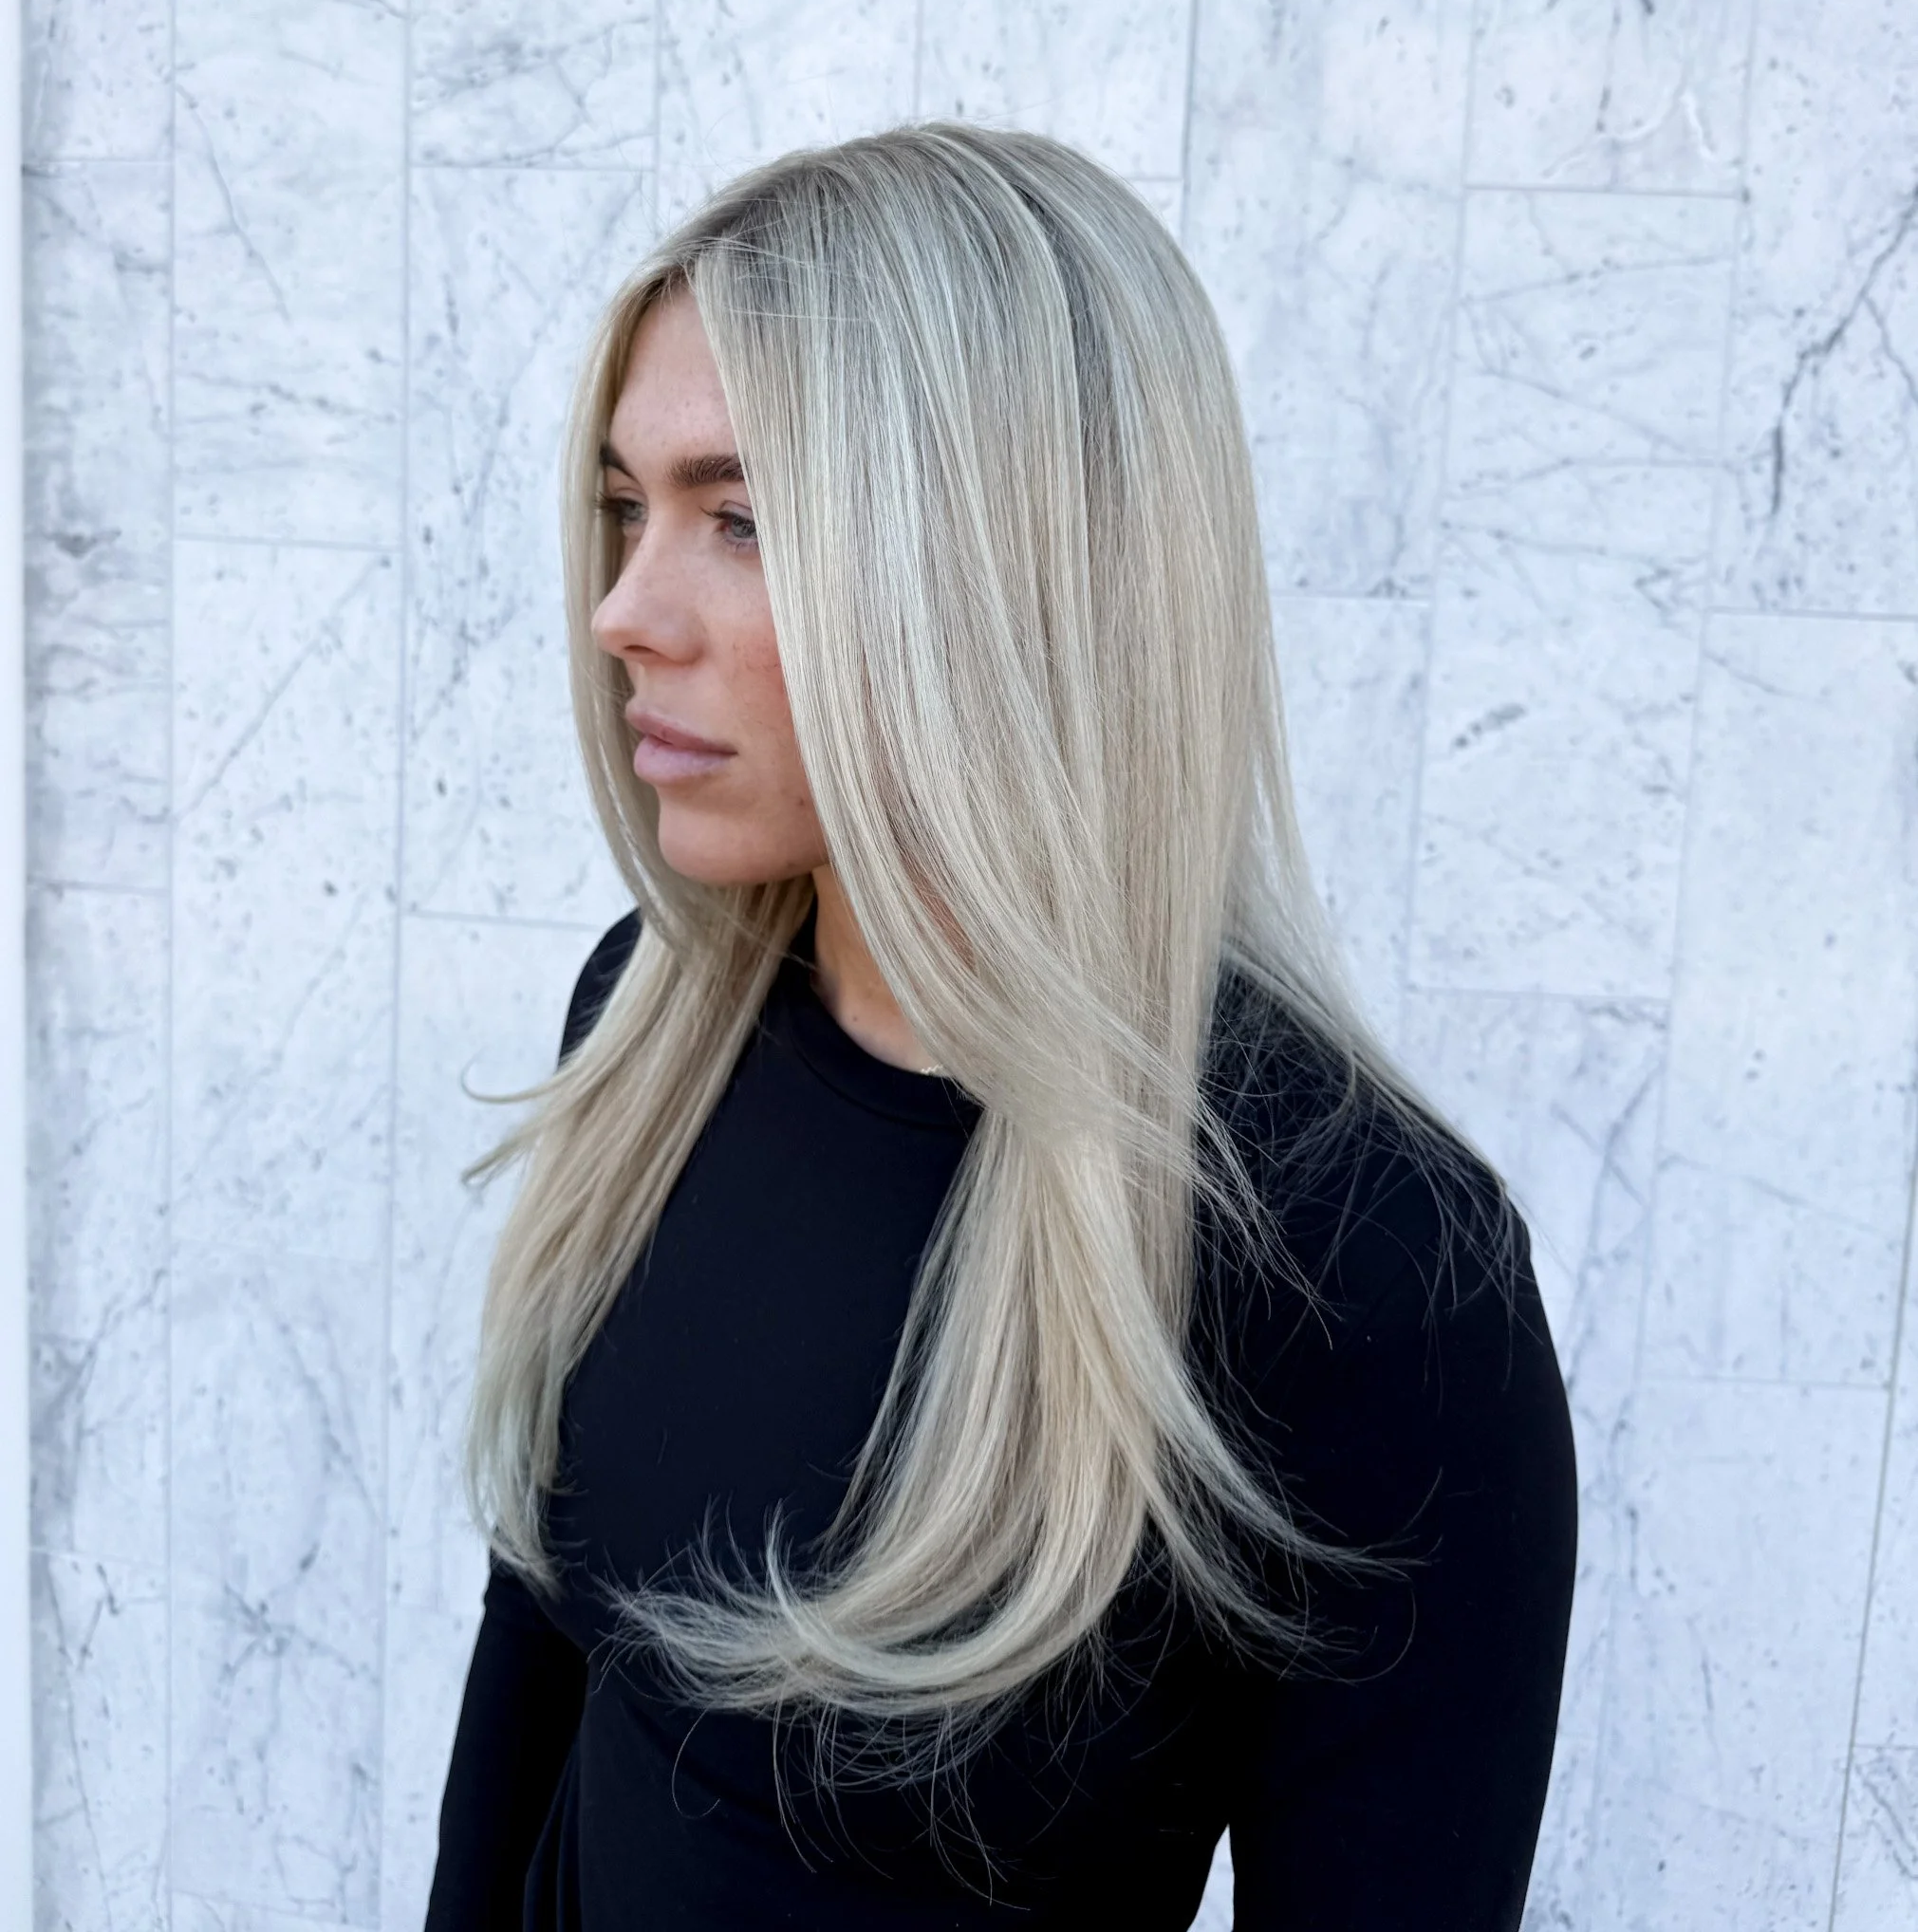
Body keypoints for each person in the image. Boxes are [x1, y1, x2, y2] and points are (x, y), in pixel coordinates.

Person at [425, 121, 1577, 1931]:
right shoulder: (654, 1025)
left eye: (742, 518)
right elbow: (548, 1642)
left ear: (1015, 565)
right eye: (625, 507)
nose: (624, 612)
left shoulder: (1363, 1264)